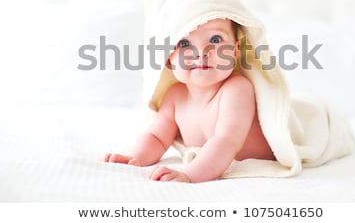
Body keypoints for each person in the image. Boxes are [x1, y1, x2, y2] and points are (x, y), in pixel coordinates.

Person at [104, 18, 275, 183]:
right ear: (170, 56)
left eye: (215, 39)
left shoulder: (236, 89)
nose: (201, 51)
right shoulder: (175, 96)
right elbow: (157, 137)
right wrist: (136, 157)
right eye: (184, 43)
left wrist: (190, 175)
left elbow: (226, 141)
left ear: (235, 52)